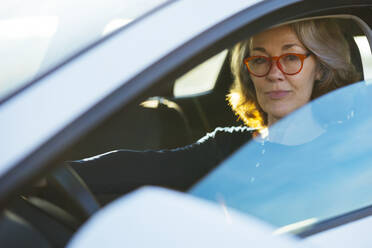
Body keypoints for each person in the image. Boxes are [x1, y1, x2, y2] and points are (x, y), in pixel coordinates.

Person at [69, 19, 360, 199]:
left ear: (320, 68)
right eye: (260, 60)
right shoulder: (228, 147)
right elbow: (144, 166)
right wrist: (58, 174)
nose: (274, 73)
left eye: (290, 58)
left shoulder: (350, 150)